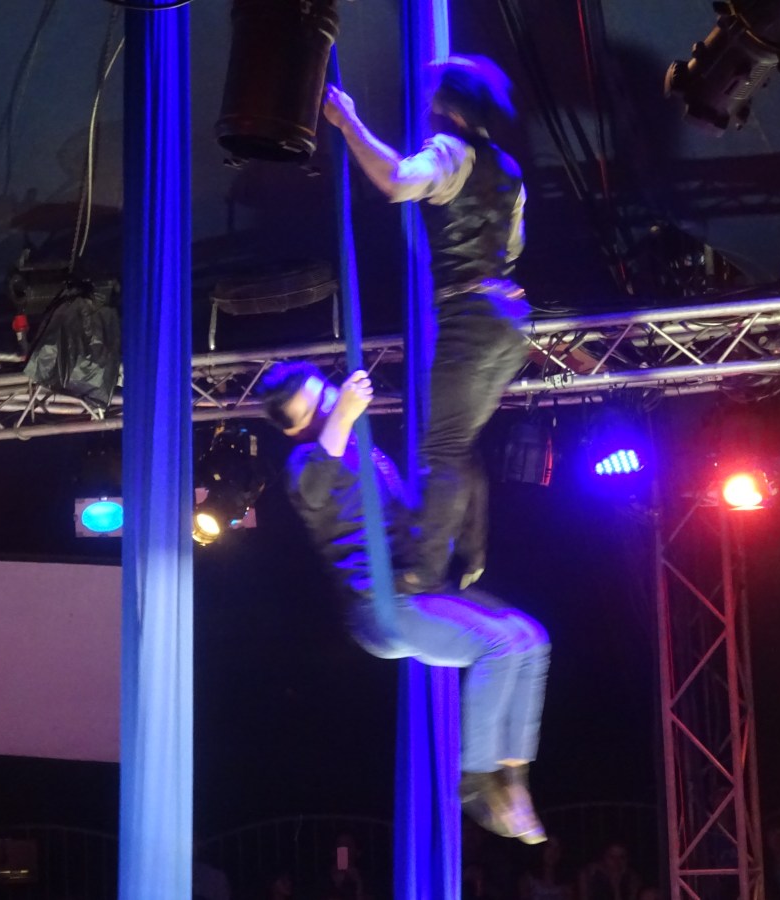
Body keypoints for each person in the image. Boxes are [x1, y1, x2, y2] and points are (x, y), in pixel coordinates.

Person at [256, 362, 550, 844]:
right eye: (314, 409)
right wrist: (343, 414)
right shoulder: (303, 463)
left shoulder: (364, 450)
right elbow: (314, 485)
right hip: (380, 610)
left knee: (530, 640)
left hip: (415, 591)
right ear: (293, 429)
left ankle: (514, 779)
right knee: (498, 645)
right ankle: (475, 777)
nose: (329, 405)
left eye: (325, 394)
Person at [322, 55, 529, 594]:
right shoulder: (509, 171)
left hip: (471, 317)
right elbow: (512, 248)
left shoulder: (451, 152)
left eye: (432, 99)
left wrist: (349, 122)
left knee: (443, 449)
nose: (426, 108)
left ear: (450, 108)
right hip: (508, 316)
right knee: (459, 441)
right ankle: (473, 552)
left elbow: (397, 180)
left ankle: (424, 571)